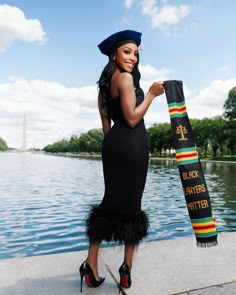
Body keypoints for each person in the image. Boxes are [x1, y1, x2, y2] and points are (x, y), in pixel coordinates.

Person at [79, 29, 164, 293]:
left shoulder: (103, 89)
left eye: (136, 53)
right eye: (127, 52)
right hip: (133, 145)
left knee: (109, 203)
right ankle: (126, 269)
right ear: (114, 54)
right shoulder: (126, 79)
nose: (133, 58)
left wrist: (114, 148)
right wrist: (150, 94)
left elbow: (107, 125)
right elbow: (131, 118)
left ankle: (90, 263)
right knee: (132, 206)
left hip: (114, 146)